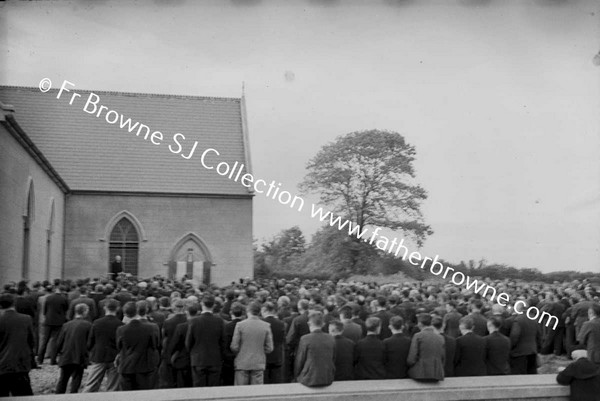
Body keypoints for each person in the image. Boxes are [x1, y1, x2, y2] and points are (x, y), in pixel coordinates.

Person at [116, 301, 160, 391]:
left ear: (125, 314)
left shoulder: (121, 329)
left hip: (127, 366)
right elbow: (155, 345)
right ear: (137, 311)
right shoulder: (151, 327)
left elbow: (119, 347)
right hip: (146, 365)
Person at [82, 298, 123, 392]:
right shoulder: (120, 324)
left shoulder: (97, 323)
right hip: (114, 356)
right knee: (113, 387)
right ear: (117, 309)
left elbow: (90, 340)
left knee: (91, 384)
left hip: (99, 355)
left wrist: (90, 351)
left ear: (105, 308)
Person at [230, 301, 274, 385]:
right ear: (259, 311)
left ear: (248, 311)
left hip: (242, 362)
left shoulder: (240, 325)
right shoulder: (266, 325)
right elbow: (270, 348)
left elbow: (234, 346)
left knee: (241, 393)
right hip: (258, 363)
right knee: (256, 393)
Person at [186, 295, 225, 387]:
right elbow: (223, 341)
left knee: (199, 388)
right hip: (215, 358)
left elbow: (188, 342)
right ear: (213, 305)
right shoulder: (219, 321)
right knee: (213, 388)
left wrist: (192, 353)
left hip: (198, 358)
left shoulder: (194, 321)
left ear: (202, 304)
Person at [0, 293, 35, 397]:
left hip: (2, 365)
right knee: (23, 396)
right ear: (14, 304)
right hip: (20, 364)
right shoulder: (26, 319)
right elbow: (31, 342)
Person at [54, 303, 92, 394]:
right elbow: (89, 342)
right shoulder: (88, 325)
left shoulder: (66, 325)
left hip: (66, 354)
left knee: (63, 379)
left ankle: (58, 397)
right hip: (80, 355)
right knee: (76, 379)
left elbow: (59, 341)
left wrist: (56, 354)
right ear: (85, 312)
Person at [294, 311, 335, 387]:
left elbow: (300, 360)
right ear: (323, 324)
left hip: (309, 378)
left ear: (309, 323)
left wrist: (296, 375)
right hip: (327, 377)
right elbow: (333, 358)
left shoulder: (305, 339)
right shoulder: (331, 338)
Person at [407, 313, 445, 382]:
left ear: (420, 324)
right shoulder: (440, 337)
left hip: (420, 373)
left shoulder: (418, 336)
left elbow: (411, 358)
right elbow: (442, 357)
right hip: (437, 373)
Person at [169, 304, 199, 388]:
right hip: (197, 359)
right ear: (197, 313)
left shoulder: (181, 327)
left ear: (187, 313)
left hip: (182, 360)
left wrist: (172, 356)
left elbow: (174, 344)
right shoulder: (200, 325)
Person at [159, 299, 187, 388]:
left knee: (171, 381)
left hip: (170, 354)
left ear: (173, 308)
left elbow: (164, 337)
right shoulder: (189, 321)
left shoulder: (168, 322)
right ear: (184, 307)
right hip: (185, 353)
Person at [38, 285, 68, 365]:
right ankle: (53, 360)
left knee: (45, 340)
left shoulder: (49, 298)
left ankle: (40, 359)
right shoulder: (64, 299)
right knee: (55, 341)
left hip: (48, 320)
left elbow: (45, 310)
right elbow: (65, 309)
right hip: (59, 321)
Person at [509, 300, 541, 374]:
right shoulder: (534, 319)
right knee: (532, 374)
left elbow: (515, 336)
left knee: (520, 375)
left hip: (520, 352)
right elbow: (539, 335)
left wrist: (511, 347)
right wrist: (538, 348)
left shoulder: (518, 320)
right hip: (532, 350)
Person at [261, 301, 286, 384]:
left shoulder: (261, 323)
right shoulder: (281, 324)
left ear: (264, 310)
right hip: (277, 356)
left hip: (264, 356)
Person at [222, 302, 244, 386]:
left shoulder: (227, 326)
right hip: (242, 357)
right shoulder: (244, 325)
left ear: (231, 313)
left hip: (228, 359)